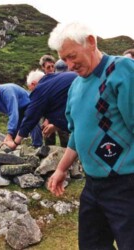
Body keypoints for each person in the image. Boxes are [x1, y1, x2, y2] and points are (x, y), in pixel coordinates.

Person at [47, 22, 134, 250]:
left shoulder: (121, 70)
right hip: (93, 185)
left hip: (126, 184)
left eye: (72, 56)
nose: (69, 64)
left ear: (91, 42)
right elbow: (78, 133)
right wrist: (61, 169)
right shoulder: (75, 87)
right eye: (64, 59)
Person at [4, 69, 77, 149]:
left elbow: (30, 117)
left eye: (31, 90)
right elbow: (63, 106)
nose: (32, 93)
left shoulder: (40, 88)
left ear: (33, 84)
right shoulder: (55, 79)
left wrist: (15, 143)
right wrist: (55, 125)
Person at [0, 78, 42, 148]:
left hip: (29, 105)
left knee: (31, 122)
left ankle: (37, 146)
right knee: (14, 138)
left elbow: (13, 112)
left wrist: (9, 133)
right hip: (18, 111)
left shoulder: (7, 91)